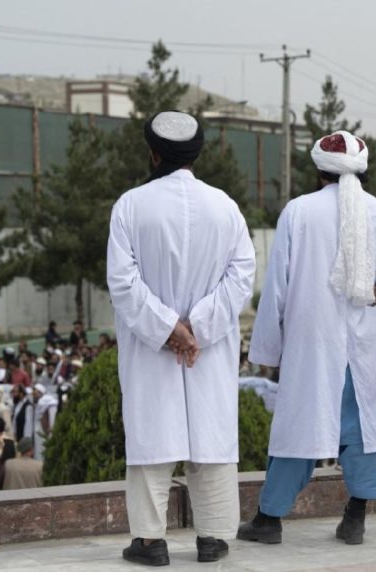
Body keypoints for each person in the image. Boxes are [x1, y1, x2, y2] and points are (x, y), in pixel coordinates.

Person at [239, 130, 376, 546]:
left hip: (311, 341)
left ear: (319, 170)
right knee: (360, 430)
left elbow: (276, 285)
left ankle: (269, 519)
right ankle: (355, 517)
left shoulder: (299, 211)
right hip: (365, 343)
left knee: (299, 424)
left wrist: (267, 348)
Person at [107, 110, 255, 566]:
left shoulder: (130, 205)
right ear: (197, 153)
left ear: (154, 153)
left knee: (153, 433)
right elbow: (242, 275)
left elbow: (122, 281)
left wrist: (169, 328)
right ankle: (212, 538)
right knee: (210, 432)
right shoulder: (226, 207)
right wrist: (199, 329)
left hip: (153, 348)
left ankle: (150, 543)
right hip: (205, 351)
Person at [32, 383, 57, 461]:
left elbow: (51, 420)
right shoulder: (40, 402)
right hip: (39, 431)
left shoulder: (47, 401)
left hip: (44, 432)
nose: (33, 395)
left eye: (35, 392)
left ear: (40, 392)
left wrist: (49, 433)